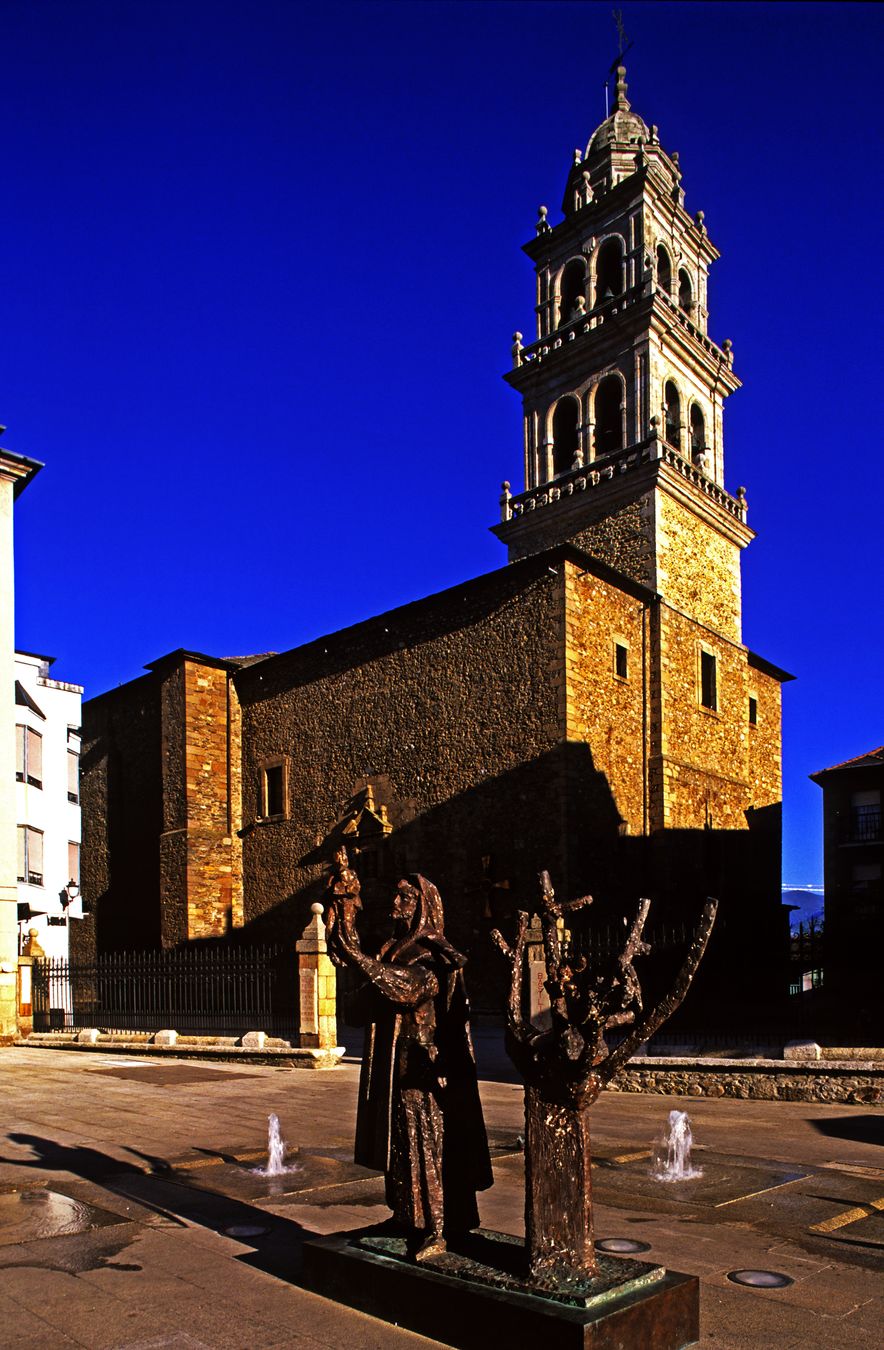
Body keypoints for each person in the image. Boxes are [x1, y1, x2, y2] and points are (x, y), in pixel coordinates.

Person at [326, 866, 492, 1261]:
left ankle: (437, 1227)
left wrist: (358, 959)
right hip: (395, 1065)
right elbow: (366, 1001)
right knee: (400, 1145)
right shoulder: (390, 950)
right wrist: (345, 923)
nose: (395, 901)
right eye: (396, 894)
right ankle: (405, 1215)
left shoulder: (434, 953)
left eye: (405, 896)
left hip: (424, 1067)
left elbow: (407, 987)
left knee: (426, 1147)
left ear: (422, 906)